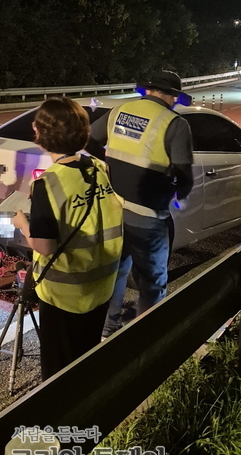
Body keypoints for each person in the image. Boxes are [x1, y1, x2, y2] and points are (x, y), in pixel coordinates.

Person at [12, 97, 123, 380]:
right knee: (86, 360)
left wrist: (22, 223)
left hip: (65, 294)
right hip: (101, 286)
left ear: (41, 134)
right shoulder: (99, 167)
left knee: (59, 373)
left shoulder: (47, 184)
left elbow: (45, 247)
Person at [87, 70, 194, 338]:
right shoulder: (175, 123)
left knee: (116, 272)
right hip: (148, 215)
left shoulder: (120, 111)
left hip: (113, 209)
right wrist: (179, 194)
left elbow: (87, 139)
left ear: (148, 90)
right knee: (152, 281)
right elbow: (184, 174)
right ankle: (143, 337)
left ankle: (107, 329)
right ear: (172, 96)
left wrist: (108, 160)